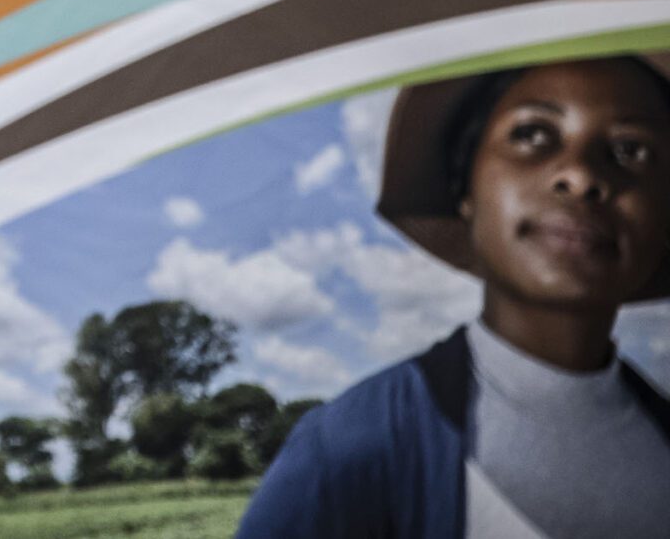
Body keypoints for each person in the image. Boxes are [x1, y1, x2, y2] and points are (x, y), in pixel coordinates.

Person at [237, 54, 670, 539]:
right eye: (532, 134)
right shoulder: (348, 451)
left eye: (631, 149)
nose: (581, 175)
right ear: (466, 189)